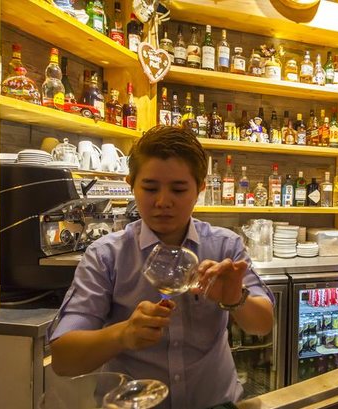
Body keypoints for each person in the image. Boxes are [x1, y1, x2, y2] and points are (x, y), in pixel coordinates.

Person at [49, 126, 274, 409]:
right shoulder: (106, 255)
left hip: (216, 401)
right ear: (131, 184)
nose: (163, 202)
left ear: (200, 188)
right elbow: (63, 359)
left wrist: (234, 298)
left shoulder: (224, 246)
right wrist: (123, 334)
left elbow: (263, 324)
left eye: (178, 189)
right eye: (150, 188)